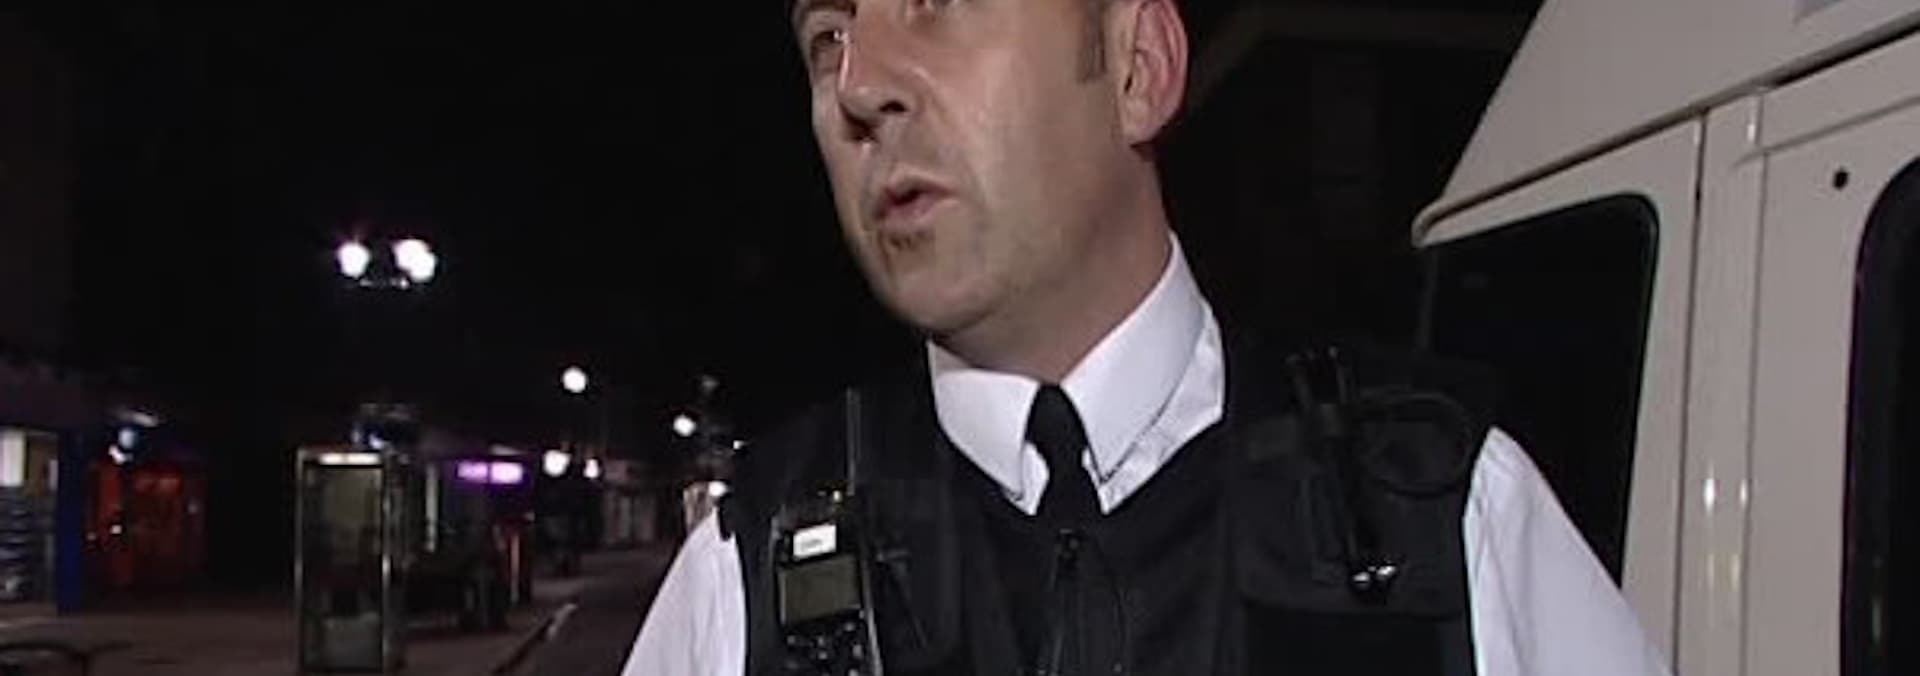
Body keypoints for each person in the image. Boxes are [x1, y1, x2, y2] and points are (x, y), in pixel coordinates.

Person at [624, 0, 1671, 674]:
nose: (858, 85)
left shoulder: (1441, 513)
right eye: (827, 39)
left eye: (935, 3)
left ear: (1137, 68)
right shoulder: (743, 574)